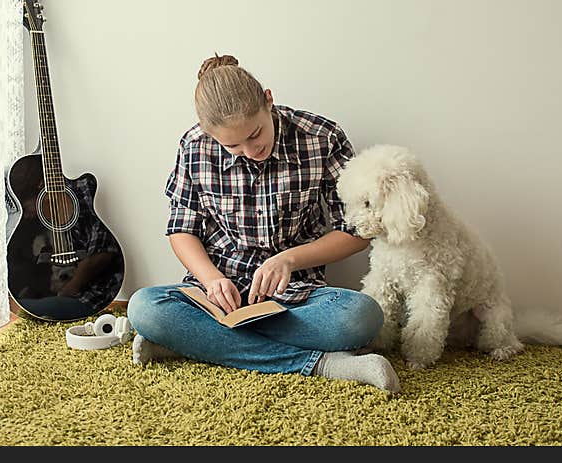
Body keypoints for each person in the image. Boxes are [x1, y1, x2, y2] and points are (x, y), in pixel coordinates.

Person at [126, 54, 399, 392]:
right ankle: (324, 364)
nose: (249, 150)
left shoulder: (321, 137)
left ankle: (194, 341)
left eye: (254, 135)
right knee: (144, 308)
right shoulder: (193, 146)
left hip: (296, 296)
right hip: (217, 296)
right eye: (232, 146)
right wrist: (211, 280)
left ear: (268, 100)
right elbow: (182, 229)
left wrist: (288, 259)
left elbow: (359, 230)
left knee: (362, 317)